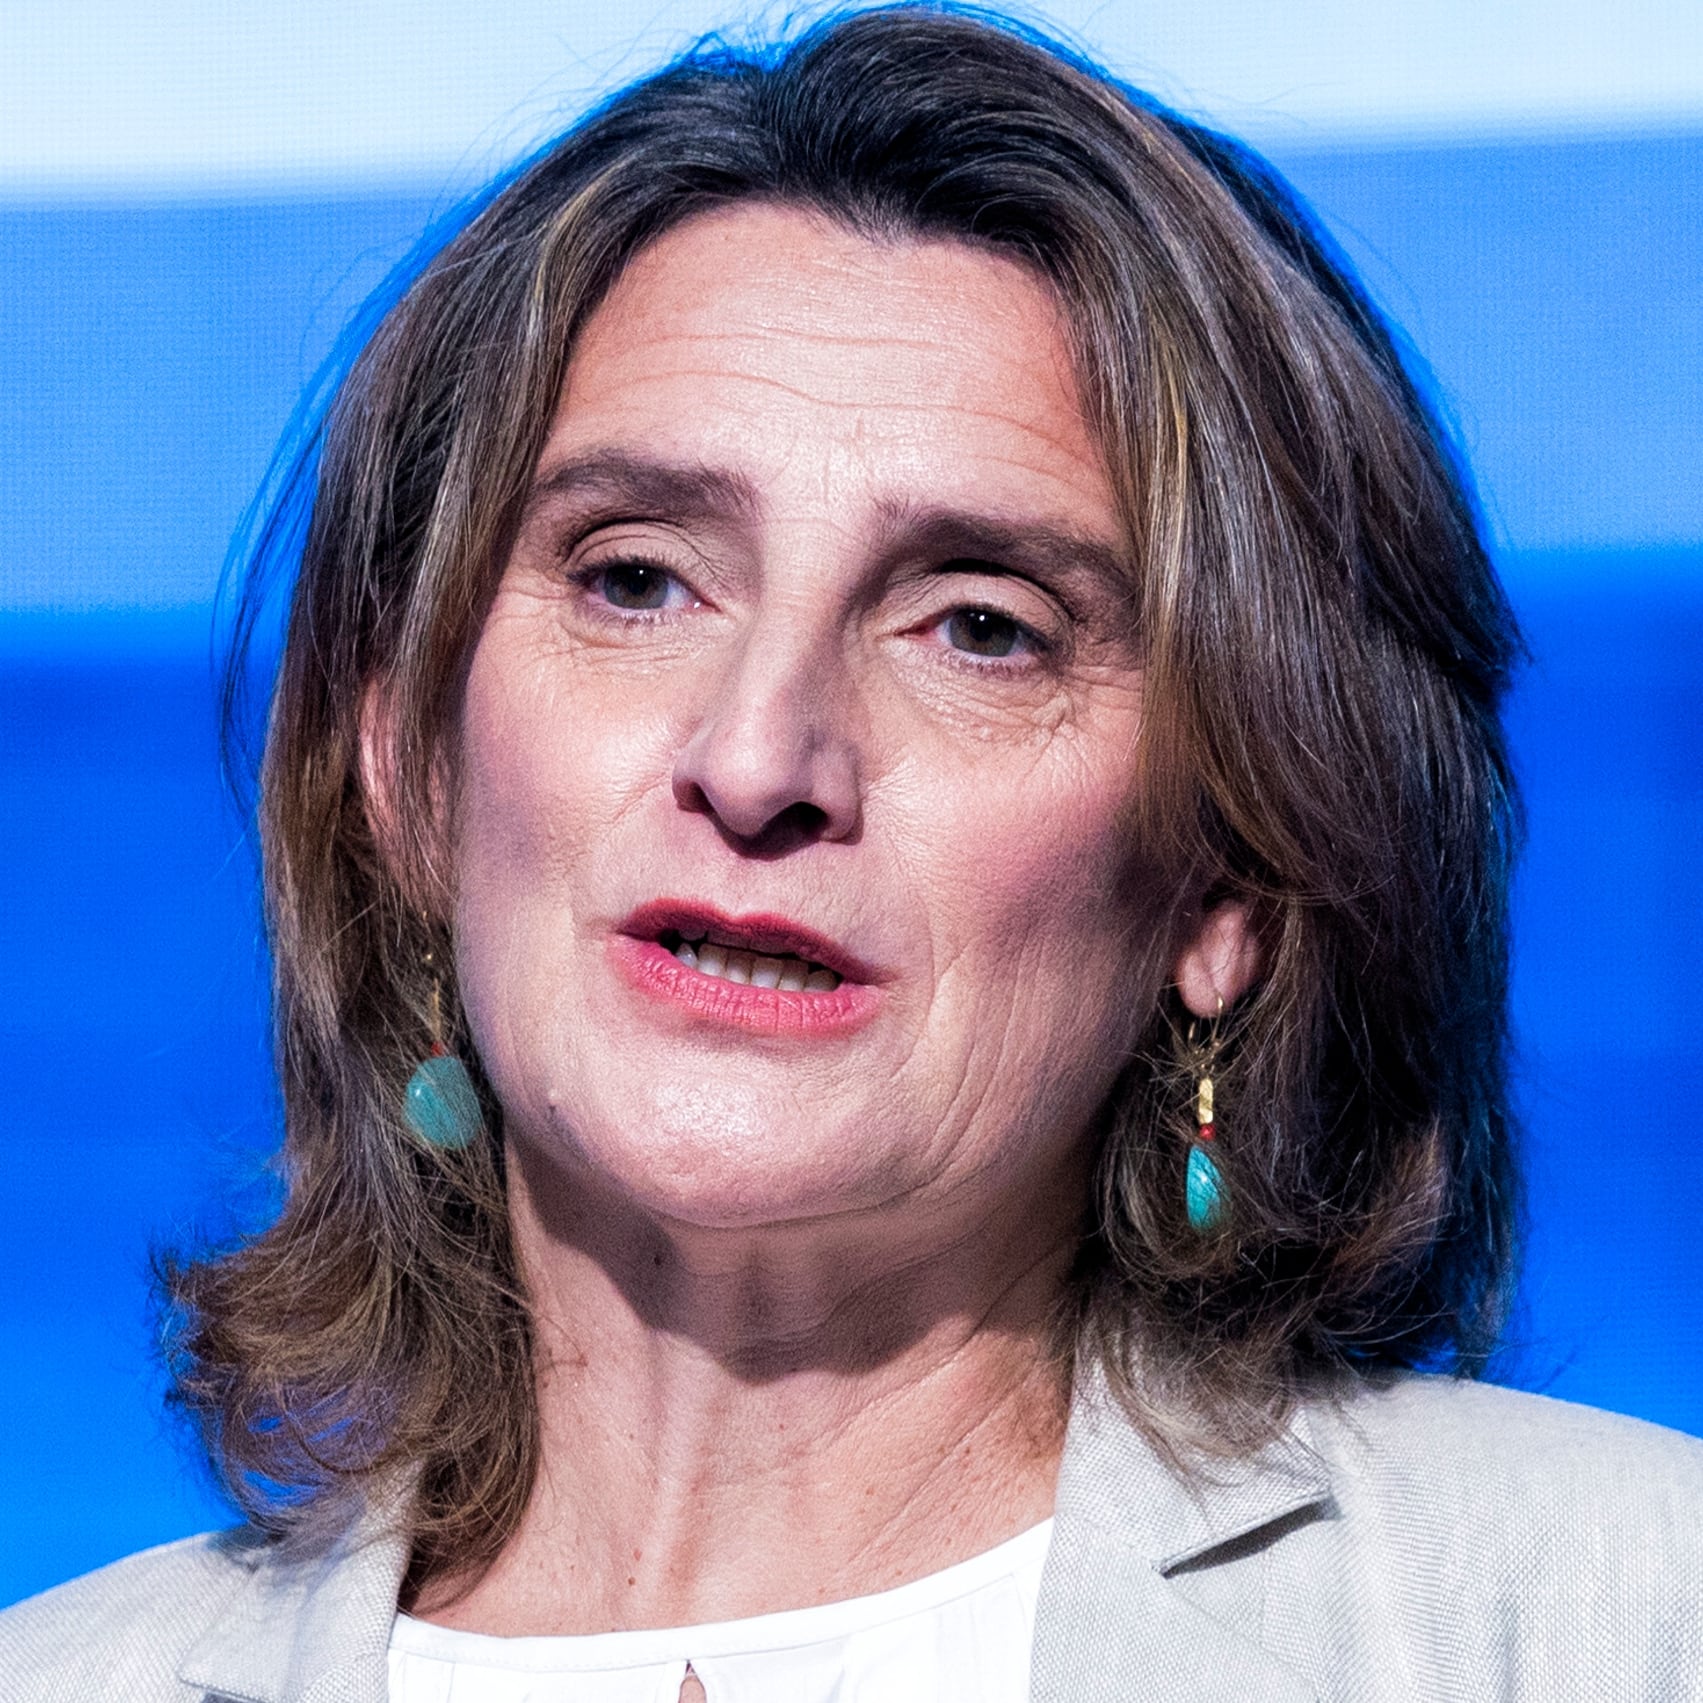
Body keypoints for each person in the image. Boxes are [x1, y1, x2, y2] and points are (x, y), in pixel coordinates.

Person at [4, 7, 1700, 1700]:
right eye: (635, 579)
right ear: (406, 768)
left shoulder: (1612, 1625)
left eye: (979, 626)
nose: (760, 763)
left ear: (1226, 878)